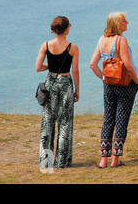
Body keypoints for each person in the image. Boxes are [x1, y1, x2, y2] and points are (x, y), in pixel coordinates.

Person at [89, 12, 138, 168]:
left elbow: (92, 64)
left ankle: (103, 159)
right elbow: (127, 65)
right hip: (124, 84)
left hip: (108, 85)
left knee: (108, 119)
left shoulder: (101, 40)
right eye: (124, 21)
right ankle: (115, 160)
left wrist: (104, 78)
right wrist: (136, 81)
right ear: (118, 23)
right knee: (121, 120)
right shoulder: (121, 40)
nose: (127, 23)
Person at [35, 16, 80, 168]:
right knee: (65, 122)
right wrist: (77, 90)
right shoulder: (72, 47)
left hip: (50, 83)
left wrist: (50, 65)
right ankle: (62, 161)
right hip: (66, 84)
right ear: (66, 29)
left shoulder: (46, 45)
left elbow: (38, 67)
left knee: (48, 122)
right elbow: (75, 71)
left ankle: (45, 162)